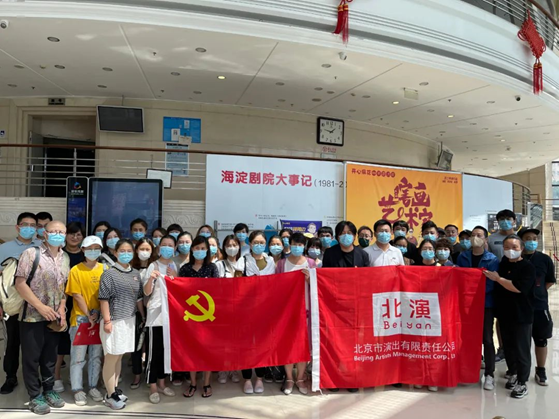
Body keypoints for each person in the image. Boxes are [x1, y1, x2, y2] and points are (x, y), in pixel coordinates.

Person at [15, 220, 70, 415]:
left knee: (50, 357)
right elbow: (20, 283)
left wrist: (62, 309)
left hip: (54, 317)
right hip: (32, 316)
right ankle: (34, 395)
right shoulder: (31, 253)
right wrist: (40, 307)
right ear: (45, 234)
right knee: (32, 358)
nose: (57, 235)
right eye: (53, 231)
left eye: (61, 232)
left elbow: (63, 287)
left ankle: (48, 390)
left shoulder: (65, 257)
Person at [484, 235, 535, 399]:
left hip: (522, 315)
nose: (510, 250)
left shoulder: (527, 267)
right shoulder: (503, 263)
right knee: (508, 347)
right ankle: (513, 372)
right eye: (506, 247)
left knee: (521, 349)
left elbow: (518, 288)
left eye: (514, 247)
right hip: (505, 314)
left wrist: (498, 279)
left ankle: (522, 382)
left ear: (522, 248)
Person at [322, 221, 369, 393]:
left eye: (349, 233)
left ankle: (351, 378)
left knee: (353, 343)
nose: (346, 236)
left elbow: (368, 279)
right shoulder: (330, 253)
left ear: (354, 236)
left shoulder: (362, 254)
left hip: (355, 306)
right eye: (342, 233)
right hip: (334, 306)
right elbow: (324, 277)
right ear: (337, 236)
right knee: (335, 342)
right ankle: (334, 379)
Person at [99, 238, 143, 410]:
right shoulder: (109, 274)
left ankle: (115, 389)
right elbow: (103, 299)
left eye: (129, 251)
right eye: (122, 251)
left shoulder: (135, 274)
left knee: (119, 357)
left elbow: (138, 298)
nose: (126, 254)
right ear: (115, 253)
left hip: (129, 321)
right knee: (111, 358)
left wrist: (142, 316)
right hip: (113, 321)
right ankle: (110, 395)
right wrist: (107, 321)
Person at [0, 212, 41, 395]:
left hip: (36, 306)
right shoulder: (4, 249)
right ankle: (10, 377)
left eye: (33, 225)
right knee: (12, 343)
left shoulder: (41, 247)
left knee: (33, 344)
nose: (29, 228)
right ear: (17, 227)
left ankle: (33, 377)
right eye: (25, 225)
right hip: (12, 305)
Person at [456, 226, 499, 390]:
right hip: (465, 304)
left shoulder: (492, 260)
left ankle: (489, 374)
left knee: (487, 339)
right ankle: (466, 371)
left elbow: (491, 283)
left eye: (479, 235)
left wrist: (474, 290)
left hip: (485, 304)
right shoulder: (463, 257)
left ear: (486, 239)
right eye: (473, 235)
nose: (475, 237)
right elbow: (459, 278)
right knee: (466, 338)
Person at [65, 235, 105, 406]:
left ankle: (93, 386)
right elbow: (77, 295)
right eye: (89, 248)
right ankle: (77, 389)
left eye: (96, 248)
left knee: (96, 356)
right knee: (78, 357)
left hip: (100, 318)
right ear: (83, 250)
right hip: (81, 319)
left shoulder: (105, 269)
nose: (93, 251)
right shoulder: (76, 270)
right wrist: (89, 314)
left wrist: (98, 314)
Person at [178, 236, 219, 398]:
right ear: (192, 249)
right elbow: (179, 292)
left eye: (203, 248)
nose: (200, 251)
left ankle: (206, 383)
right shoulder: (185, 269)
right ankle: (193, 383)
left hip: (209, 316)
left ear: (207, 250)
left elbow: (219, 290)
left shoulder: (212, 268)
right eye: (197, 248)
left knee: (207, 350)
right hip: (190, 317)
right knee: (191, 350)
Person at [275, 233, 314, 396]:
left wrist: (310, 281)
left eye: (300, 244)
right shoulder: (282, 264)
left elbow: (318, 286)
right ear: (289, 244)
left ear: (304, 246)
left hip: (306, 310)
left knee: (304, 345)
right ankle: (289, 378)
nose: (297, 247)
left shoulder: (311, 263)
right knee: (288, 344)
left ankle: (300, 378)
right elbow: (275, 287)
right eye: (294, 244)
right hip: (287, 311)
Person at [142, 235, 177, 404]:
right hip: (155, 317)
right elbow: (146, 292)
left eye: (170, 245)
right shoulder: (153, 265)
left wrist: (175, 277)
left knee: (165, 352)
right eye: (164, 245)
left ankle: (162, 383)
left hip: (169, 317)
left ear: (175, 248)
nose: (167, 248)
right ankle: (153, 386)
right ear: (159, 247)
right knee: (153, 353)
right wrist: (151, 279)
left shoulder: (173, 266)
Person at [518, 227, 555, 386]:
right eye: (528, 238)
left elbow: (550, 281)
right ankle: (518, 370)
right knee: (521, 340)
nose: (531, 241)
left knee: (541, 339)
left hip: (540, 306)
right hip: (520, 306)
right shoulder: (516, 259)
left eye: (534, 238)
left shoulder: (545, 259)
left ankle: (541, 369)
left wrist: (537, 292)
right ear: (521, 241)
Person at [241, 231, 277, 394]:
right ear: (250, 243)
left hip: (266, 309)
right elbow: (235, 284)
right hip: (246, 310)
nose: (259, 245)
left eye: (262, 242)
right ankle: (247, 378)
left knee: (263, 343)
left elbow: (277, 283)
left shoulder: (270, 261)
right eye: (255, 242)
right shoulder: (243, 261)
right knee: (247, 345)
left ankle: (260, 378)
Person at [55, 221, 86, 393]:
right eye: (71, 234)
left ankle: (75, 377)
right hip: (62, 304)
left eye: (78, 234)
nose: (75, 237)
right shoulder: (59, 255)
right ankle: (56, 377)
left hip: (81, 305)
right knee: (59, 342)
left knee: (79, 343)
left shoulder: (86, 255)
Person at [215, 235, 244, 385]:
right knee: (223, 341)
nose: (232, 248)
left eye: (234, 245)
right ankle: (223, 369)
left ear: (239, 247)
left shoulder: (243, 262)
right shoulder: (219, 265)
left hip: (240, 307)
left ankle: (234, 369)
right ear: (224, 248)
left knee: (237, 340)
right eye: (228, 245)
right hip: (223, 308)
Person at [129, 238, 157, 389]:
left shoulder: (155, 266)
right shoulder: (131, 267)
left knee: (151, 344)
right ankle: (136, 374)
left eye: (147, 249)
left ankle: (150, 374)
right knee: (136, 345)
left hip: (153, 309)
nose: (144, 252)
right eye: (142, 249)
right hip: (134, 311)